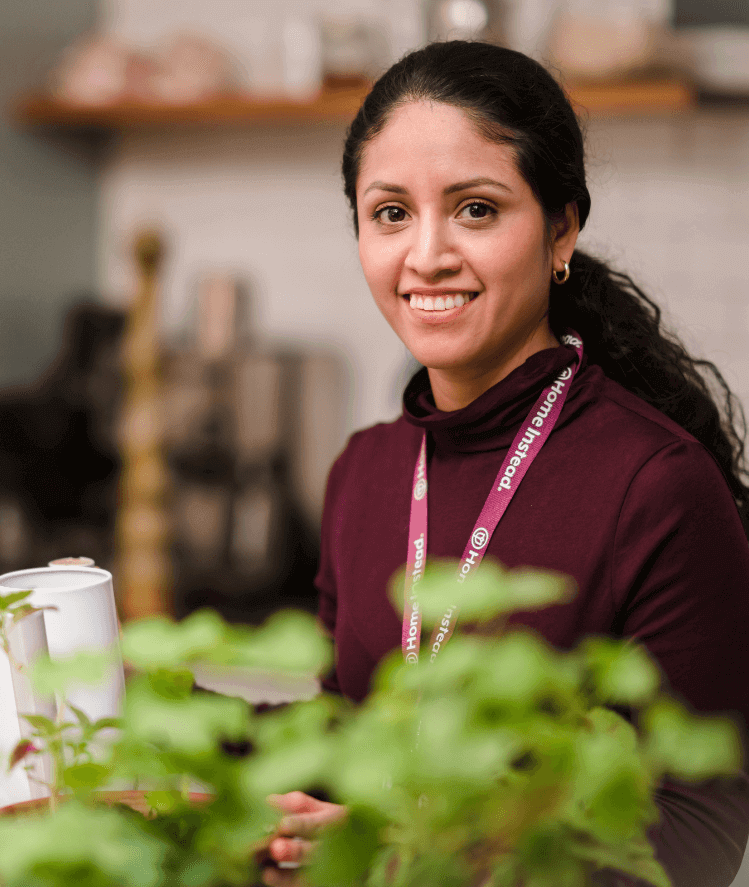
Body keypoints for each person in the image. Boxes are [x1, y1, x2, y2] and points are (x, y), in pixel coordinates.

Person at [265, 40, 749, 887]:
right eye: (390, 213)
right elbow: (348, 733)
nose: (427, 256)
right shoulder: (364, 471)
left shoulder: (659, 485)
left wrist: (427, 864)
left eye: (476, 209)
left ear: (561, 228)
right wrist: (143, 710)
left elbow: (700, 831)